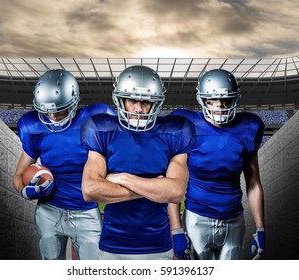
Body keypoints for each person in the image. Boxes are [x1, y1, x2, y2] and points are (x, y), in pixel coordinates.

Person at [80, 65, 195, 260]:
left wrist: (122, 178)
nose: (139, 109)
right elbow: (90, 190)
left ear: (156, 103)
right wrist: (155, 189)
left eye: (146, 101)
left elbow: (175, 192)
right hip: (112, 246)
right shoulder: (101, 129)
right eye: (132, 100)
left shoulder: (176, 131)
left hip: (157, 245)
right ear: (120, 99)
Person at [12, 69, 116, 260]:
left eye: (59, 109)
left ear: (74, 101)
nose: (52, 115)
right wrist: (24, 191)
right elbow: (18, 175)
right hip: (48, 211)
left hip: (86, 211)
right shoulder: (32, 126)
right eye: (46, 110)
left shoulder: (95, 119)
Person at [169, 68, 265, 260]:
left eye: (226, 100)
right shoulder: (186, 126)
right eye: (211, 100)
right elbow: (172, 183)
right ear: (202, 100)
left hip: (234, 219)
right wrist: (177, 229)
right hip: (197, 217)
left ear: (235, 98)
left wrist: (261, 228)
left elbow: (253, 182)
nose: (219, 106)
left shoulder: (249, 127)